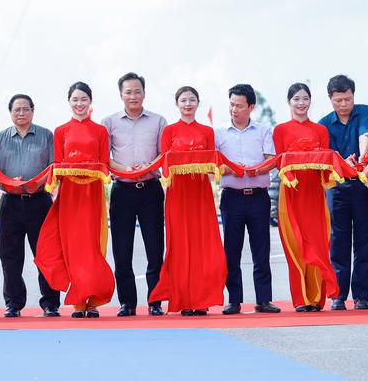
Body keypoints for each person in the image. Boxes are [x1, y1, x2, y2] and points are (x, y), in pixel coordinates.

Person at [36, 82, 114, 318]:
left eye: (84, 99)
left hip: (92, 194)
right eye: (75, 100)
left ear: (90, 102)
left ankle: (93, 300)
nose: (79, 104)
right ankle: (79, 300)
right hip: (69, 194)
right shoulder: (60, 131)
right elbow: (59, 165)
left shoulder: (100, 131)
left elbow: (104, 165)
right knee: (72, 246)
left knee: (91, 245)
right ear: (69, 102)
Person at [149, 86, 226, 316]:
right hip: (177, 194)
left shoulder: (206, 131)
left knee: (203, 244)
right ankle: (182, 299)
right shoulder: (169, 131)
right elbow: (163, 163)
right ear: (177, 104)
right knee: (179, 245)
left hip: (200, 193)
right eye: (183, 100)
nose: (188, 104)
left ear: (198, 103)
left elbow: (213, 163)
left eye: (192, 100)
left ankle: (201, 299)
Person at [0, 93, 60, 318]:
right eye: (16, 109)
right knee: (10, 256)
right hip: (10, 203)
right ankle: (13, 303)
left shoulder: (46, 136)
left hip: (40, 202)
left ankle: (50, 303)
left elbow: (53, 167)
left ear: (32, 110)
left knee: (45, 254)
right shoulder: (0, 139)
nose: (21, 113)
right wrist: (10, 183)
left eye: (25, 109)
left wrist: (34, 183)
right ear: (10, 113)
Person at [101, 73, 165, 317]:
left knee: (154, 247)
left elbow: (163, 153)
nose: (133, 96)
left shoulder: (158, 121)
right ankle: (127, 302)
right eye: (128, 92)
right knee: (122, 248)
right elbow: (105, 157)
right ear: (121, 95)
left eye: (137, 91)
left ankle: (155, 301)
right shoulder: (109, 122)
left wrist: (147, 167)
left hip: (150, 190)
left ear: (144, 93)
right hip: (122, 190)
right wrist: (124, 169)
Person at [273, 83, 339, 312]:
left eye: (305, 99)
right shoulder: (280, 130)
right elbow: (279, 161)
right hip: (291, 193)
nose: (301, 103)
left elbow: (326, 163)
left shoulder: (320, 130)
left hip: (314, 195)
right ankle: (301, 299)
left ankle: (318, 298)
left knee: (318, 243)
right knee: (295, 244)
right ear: (289, 102)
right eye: (296, 99)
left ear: (310, 101)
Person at [216, 84, 280, 315]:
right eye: (231, 104)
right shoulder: (219, 132)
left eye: (239, 105)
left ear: (251, 107)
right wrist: (227, 170)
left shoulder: (263, 131)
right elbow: (214, 164)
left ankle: (264, 299)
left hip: (258, 197)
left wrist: (257, 169)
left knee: (260, 250)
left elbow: (271, 160)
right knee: (231, 250)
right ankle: (234, 300)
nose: (234, 109)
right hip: (231, 197)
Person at [318, 75, 368, 310]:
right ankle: (338, 295)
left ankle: (362, 296)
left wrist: (361, 158)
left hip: (363, 185)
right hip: (337, 187)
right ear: (330, 99)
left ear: (354, 96)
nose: (344, 104)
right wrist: (344, 164)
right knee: (339, 240)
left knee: (364, 240)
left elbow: (365, 134)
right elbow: (329, 155)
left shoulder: (364, 111)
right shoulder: (323, 124)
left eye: (348, 99)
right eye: (338, 100)